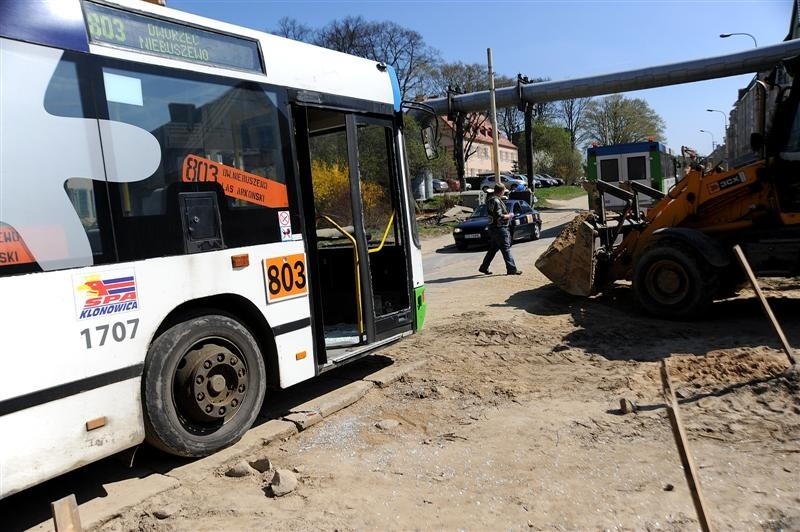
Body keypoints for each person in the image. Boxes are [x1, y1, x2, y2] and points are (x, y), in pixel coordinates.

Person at [479, 183, 522, 275]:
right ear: (501, 191)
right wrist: (509, 215)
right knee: (506, 249)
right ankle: (511, 269)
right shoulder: (496, 201)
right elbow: (499, 216)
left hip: (493, 228)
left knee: (493, 249)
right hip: (500, 228)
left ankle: (484, 267)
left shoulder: (490, 200)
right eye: (503, 192)